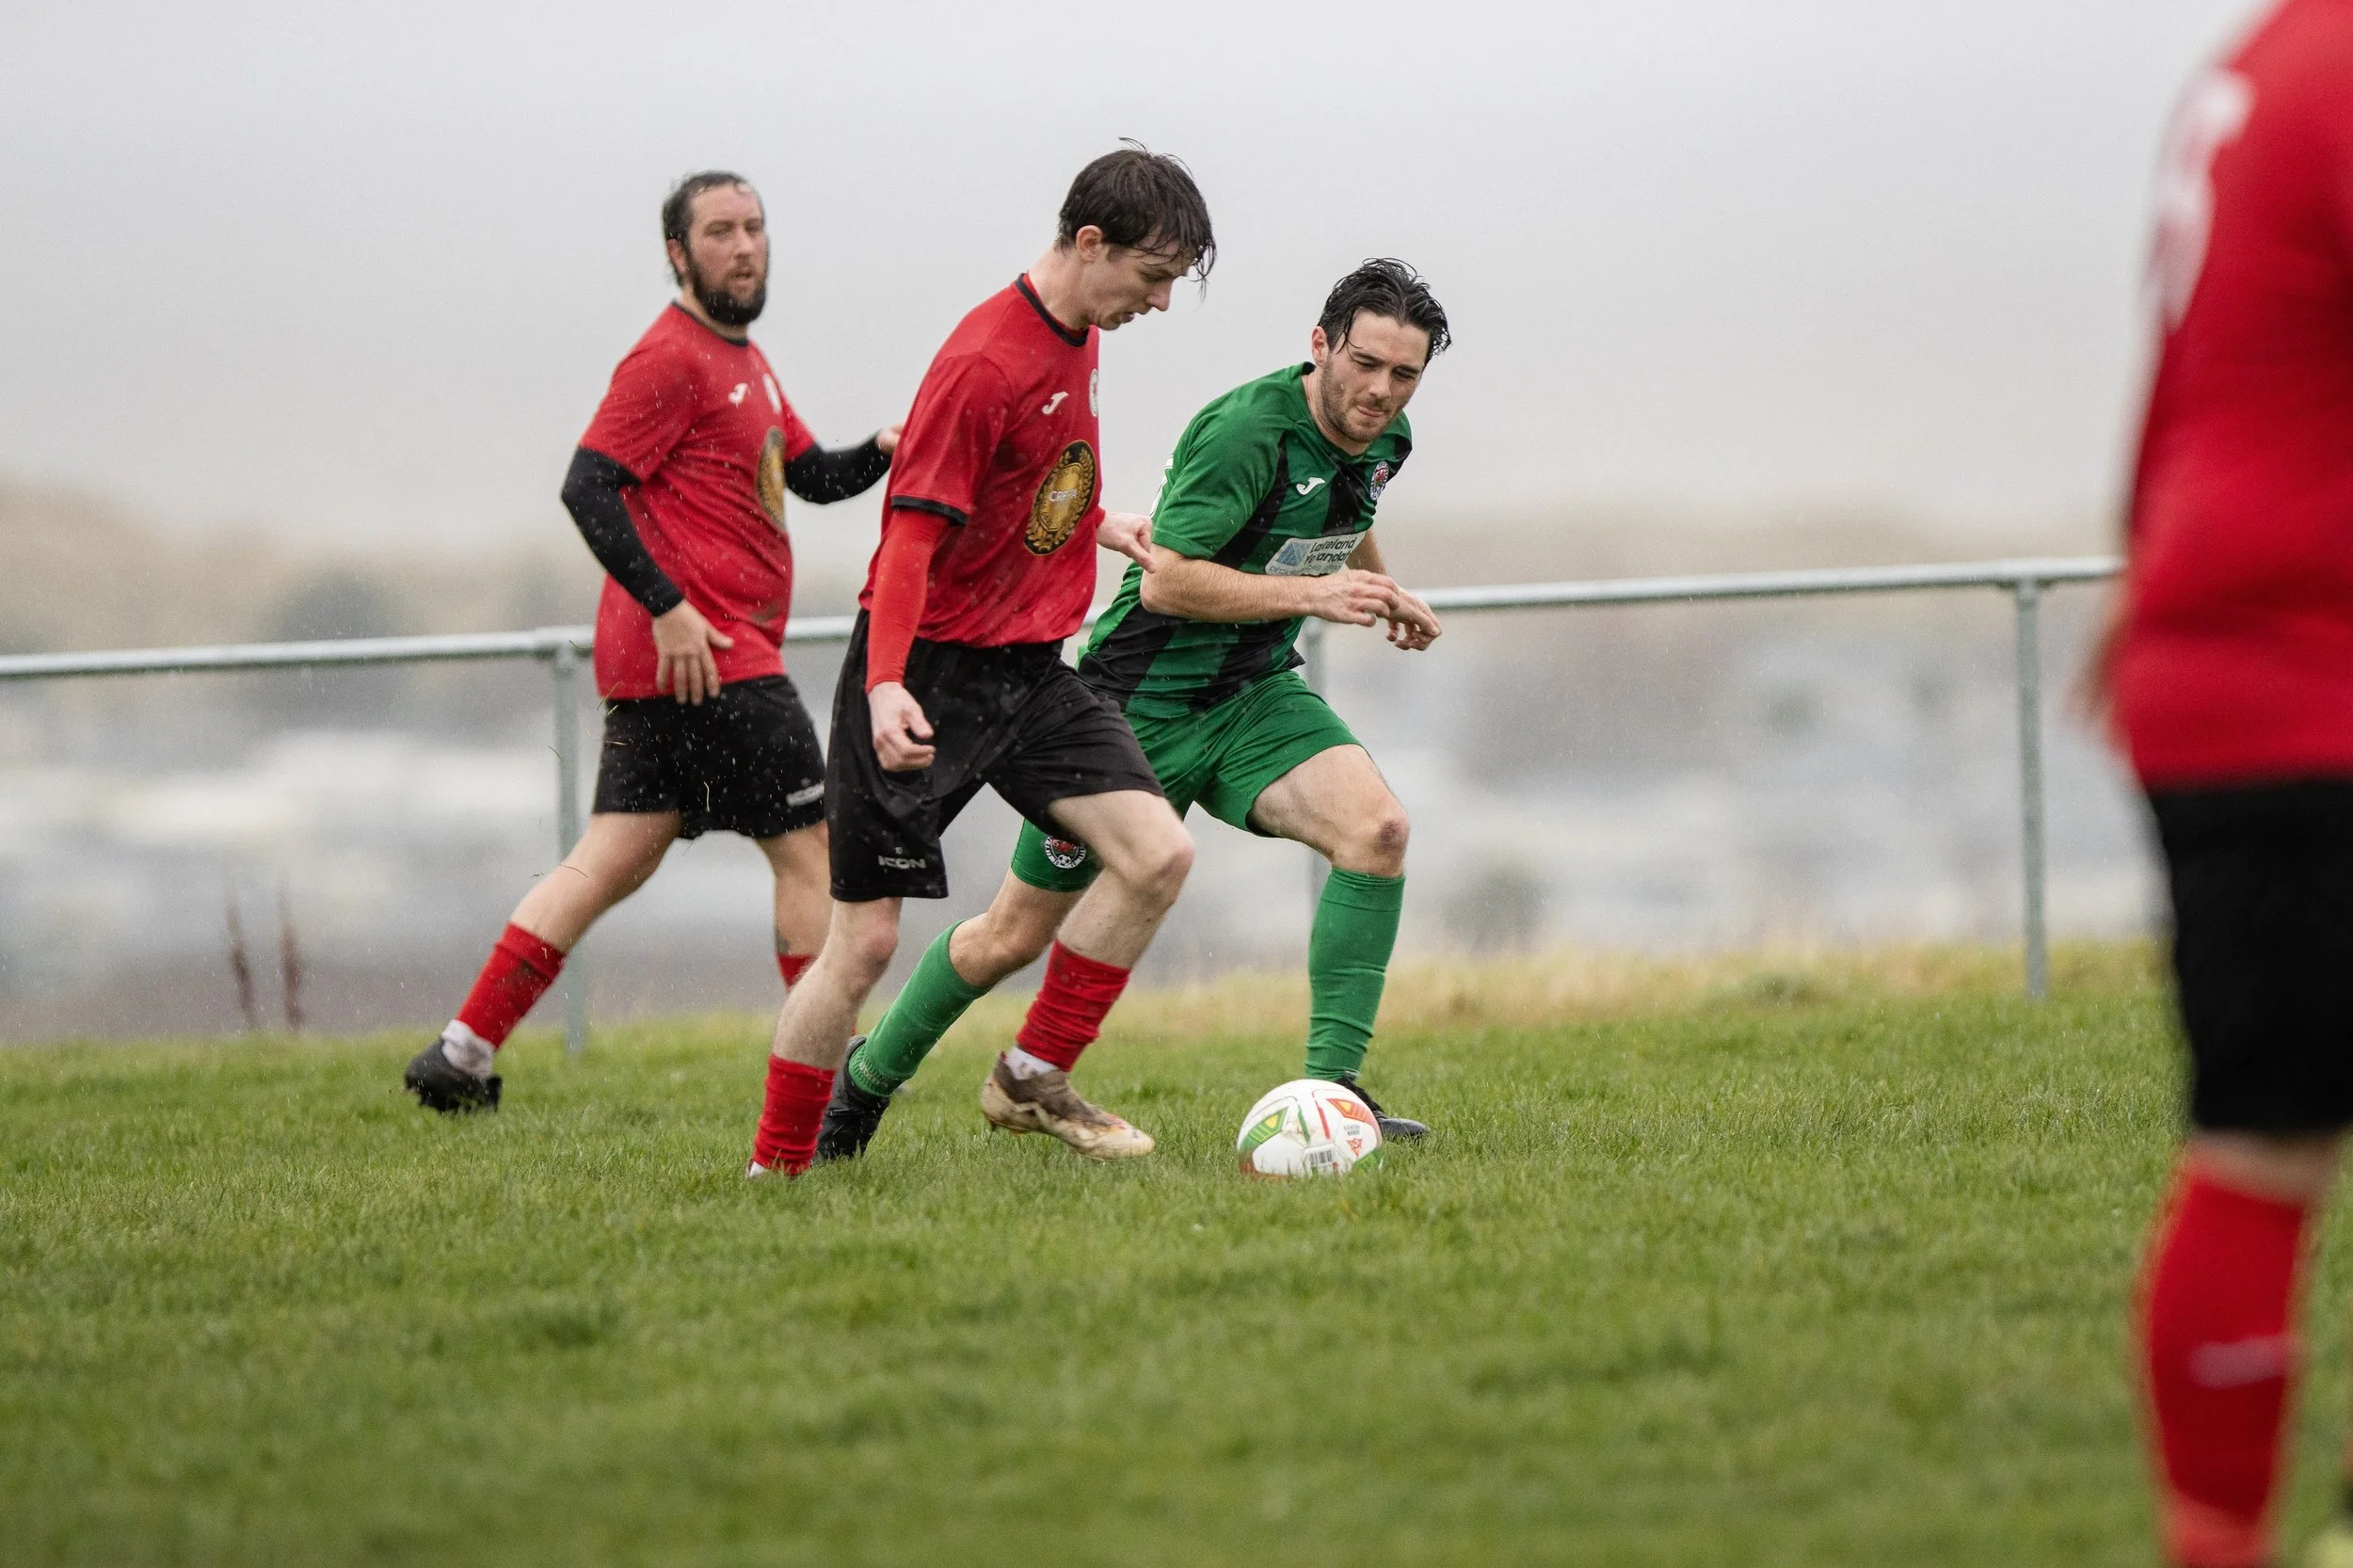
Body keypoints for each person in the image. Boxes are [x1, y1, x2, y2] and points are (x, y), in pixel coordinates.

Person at [817, 259, 1450, 1164]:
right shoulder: (1246, 433)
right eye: (1365, 363)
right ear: (1319, 346)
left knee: (1379, 833)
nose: (1381, 391)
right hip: (1137, 702)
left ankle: (1332, 1095)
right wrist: (1315, 598)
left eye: (1404, 375)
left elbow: (1349, 507)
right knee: (1008, 937)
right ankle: (864, 1085)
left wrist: (1379, 590)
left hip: (1254, 694)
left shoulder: (1386, 437)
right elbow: (1169, 585)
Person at [744, 146, 1216, 1176]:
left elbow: (1034, 482)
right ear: (1090, 244)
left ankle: (1030, 1077)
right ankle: (777, 1170)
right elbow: (907, 544)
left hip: (1031, 676)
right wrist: (879, 690)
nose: (1161, 303)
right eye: (1152, 277)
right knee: (863, 945)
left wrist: (1101, 521)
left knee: (1157, 854)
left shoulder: (1080, 331)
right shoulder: (982, 364)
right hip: (922, 674)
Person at [405, 170, 899, 1112]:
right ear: (678, 253)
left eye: (755, 228)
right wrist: (670, 604)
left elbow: (813, 476)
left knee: (608, 860)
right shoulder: (667, 359)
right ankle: (820, 1069)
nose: (745, 246)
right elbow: (587, 486)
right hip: (711, 656)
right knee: (811, 855)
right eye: (720, 231)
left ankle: (460, 1054)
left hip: (669, 667)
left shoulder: (743, 360)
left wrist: (884, 444)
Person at [2109, 7, 2353, 1564]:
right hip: (2313, 673)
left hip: (2221, 661)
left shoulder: (2267, 60)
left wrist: (2154, 573)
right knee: (2265, 1152)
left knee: (2259, 1152)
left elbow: (2195, 379)